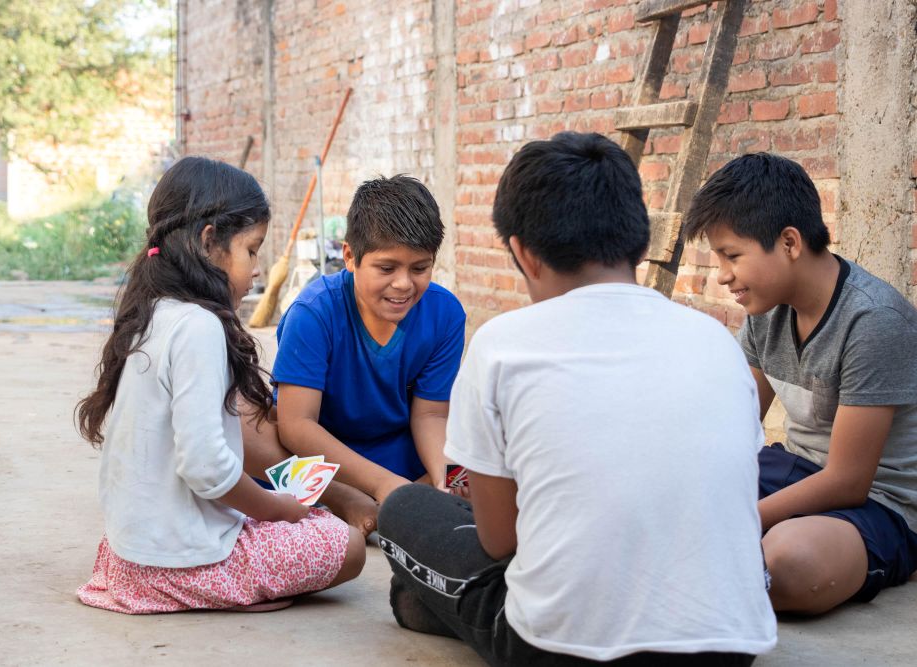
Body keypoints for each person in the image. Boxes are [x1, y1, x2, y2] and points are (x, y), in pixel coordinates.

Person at [377, 132, 777, 665]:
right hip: (729, 647)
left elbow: (501, 541)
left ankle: (427, 604)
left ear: (522, 252)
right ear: (640, 240)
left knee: (405, 508)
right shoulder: (716, 342)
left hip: (561, 651)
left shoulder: (502, 345)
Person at [74, 156, 364, 614]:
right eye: (251, 250)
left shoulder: (154, 312)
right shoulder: (199, 327)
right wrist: (275, 508)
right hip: (181, 562)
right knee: (347, 545)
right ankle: (223, 587)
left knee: (303, 522)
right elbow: (206, 468)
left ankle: (226, 579)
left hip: (127, 557)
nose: (256, 271)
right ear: (209, 241)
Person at [682, 152, 917, 614]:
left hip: (880, 501)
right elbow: (732, 422)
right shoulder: (765, 312)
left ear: (789, 242)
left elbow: (849, 481)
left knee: (787, 566)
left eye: (732, 255)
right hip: (796, 469)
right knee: (674, 505)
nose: (723, 275)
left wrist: (742, 518)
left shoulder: (874, 322)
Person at [271, 175, 466, 535]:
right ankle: (351, 498)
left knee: (471, 461)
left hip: (396, 451)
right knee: (264, 435)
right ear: (349, 256)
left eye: (420, 268)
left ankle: (410, 496)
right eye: (387, 268)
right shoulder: (313, 312)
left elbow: (432, 414)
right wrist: (382, 484)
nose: (404, 284)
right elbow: (297, 425)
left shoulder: (445, 314)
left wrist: (444, 479)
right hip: (322, 455)